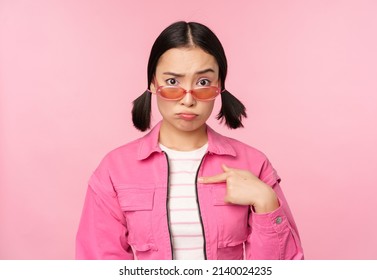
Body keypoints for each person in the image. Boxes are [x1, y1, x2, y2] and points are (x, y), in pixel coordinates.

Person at [76, 21, 304, 260]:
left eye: (203, 83)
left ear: (220, 86)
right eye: (173, 82)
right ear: (153, 83)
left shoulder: (254, 164)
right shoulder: (114, 170)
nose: (188, 99)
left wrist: (266, 202)